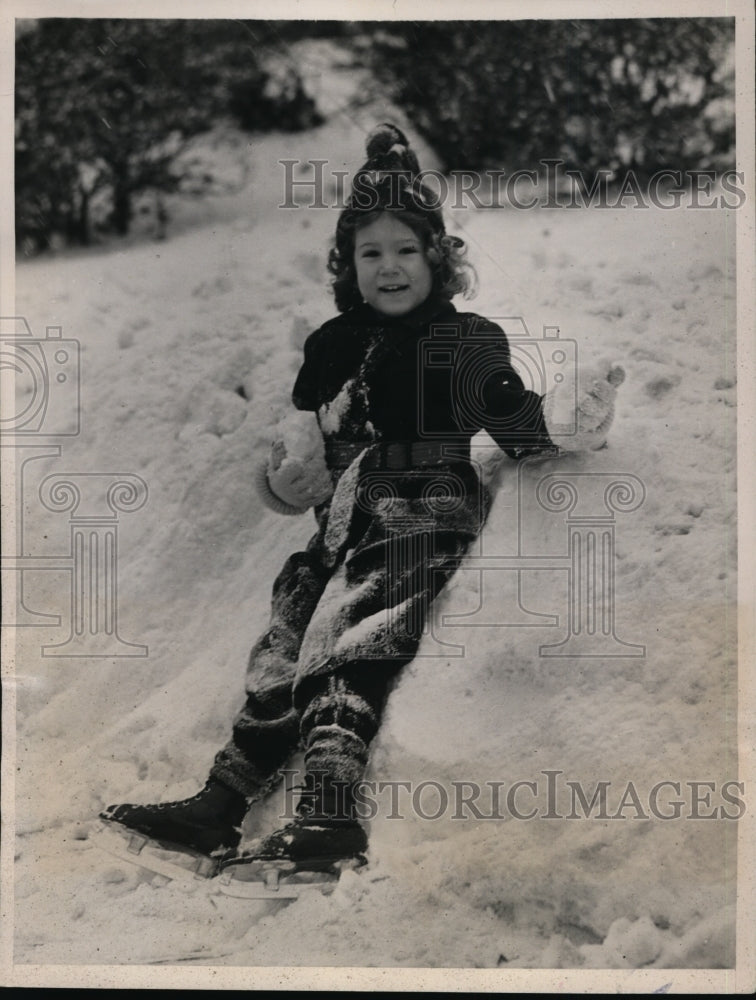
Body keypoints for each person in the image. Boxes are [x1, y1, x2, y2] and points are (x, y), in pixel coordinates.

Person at [100, 124, 621, 875]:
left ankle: (330, 813)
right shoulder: (330, 346)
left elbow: (511, 418)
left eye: (407, 250)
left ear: (438, 258)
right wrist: (284, 484)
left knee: (356, 626)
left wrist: (565, 418)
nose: (390, 267)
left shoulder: (464, 339)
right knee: (289, 628)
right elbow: (298, 448)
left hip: (423, 506)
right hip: (339, 524)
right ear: (348, 265)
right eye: (371, 253)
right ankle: (221, 802)